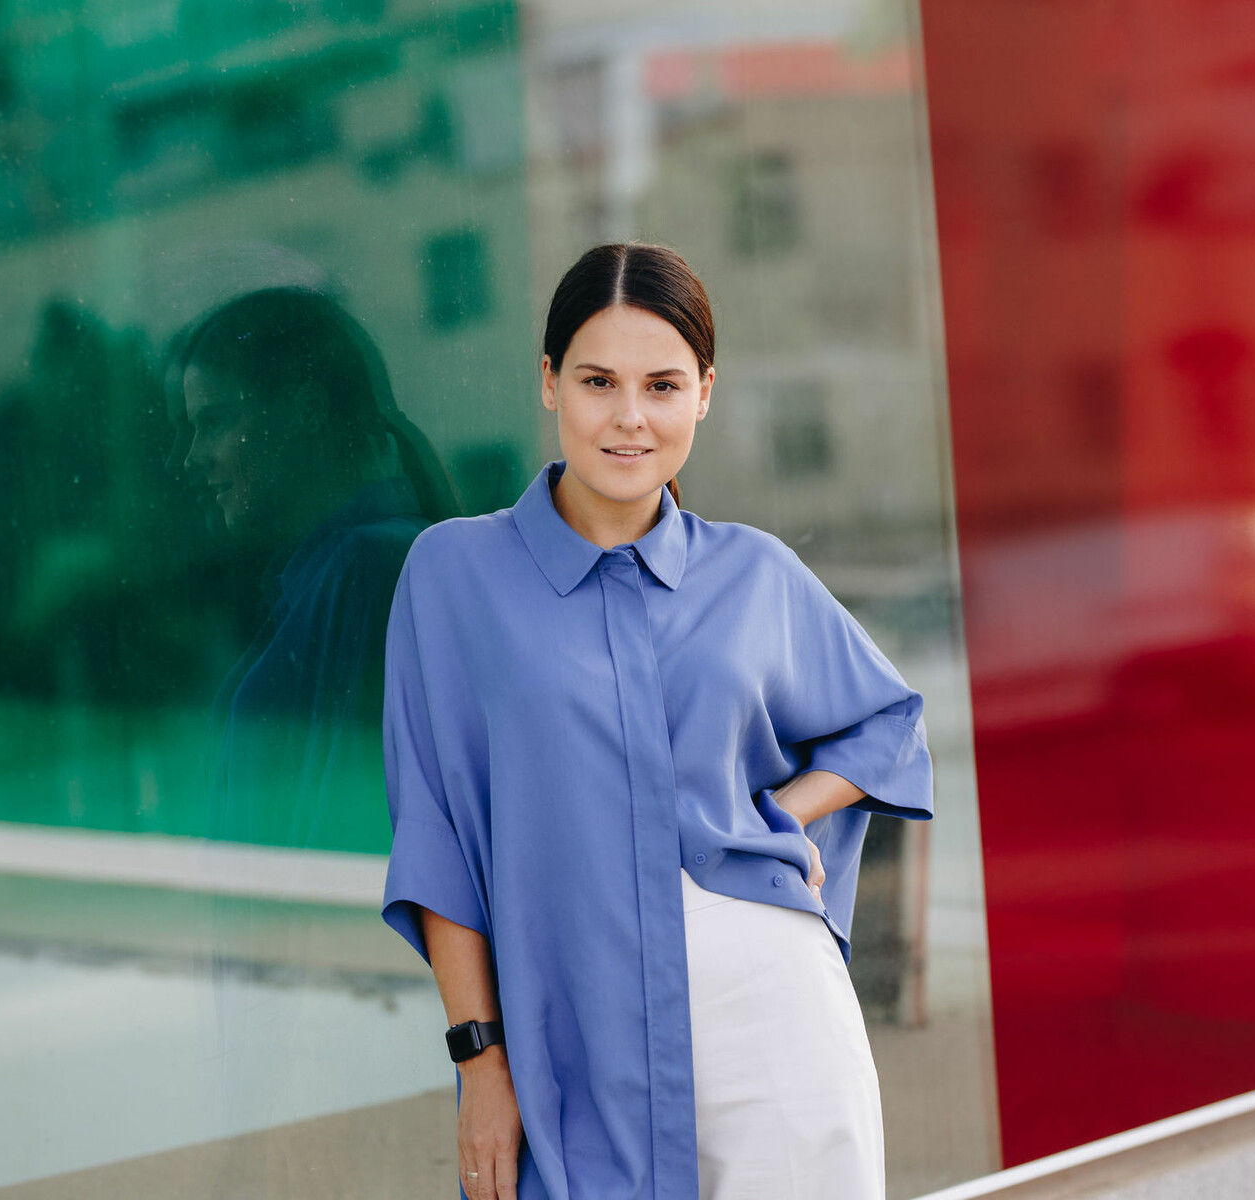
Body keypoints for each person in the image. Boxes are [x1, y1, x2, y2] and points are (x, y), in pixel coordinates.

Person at [381, 244, 933, 1199]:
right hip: (572, 1034)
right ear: (549, 382)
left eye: (663, 385)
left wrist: (778, 815)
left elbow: (887, 724)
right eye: (598, 381)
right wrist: (480, 1062)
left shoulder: (754, 573)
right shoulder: (451, 575)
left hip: (774, 1027)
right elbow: (437, 837)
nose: (630, 417)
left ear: (706, 393)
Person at [170, 286, 461, 850]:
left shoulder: (369, 569)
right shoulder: (330, 576)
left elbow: (351, 837)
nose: (192, 456)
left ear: (307, 409)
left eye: (216, 420)